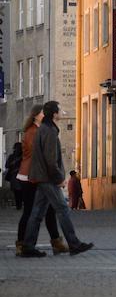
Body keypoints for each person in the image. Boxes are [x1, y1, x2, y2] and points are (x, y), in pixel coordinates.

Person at [21, 101, 94, 258]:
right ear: (54, 113)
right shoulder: (50, 131)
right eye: (60, 109)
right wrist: (59, 179)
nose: (62, 112)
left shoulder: (44, 129)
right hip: (47, 178)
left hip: (41, 176)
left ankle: (28, 245)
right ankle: (74, 243)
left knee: (37, 212)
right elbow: (50, 160)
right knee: (62, 209)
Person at [15, 105, 67, 256]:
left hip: (40, 176)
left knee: (50, 209)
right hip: (30, 176)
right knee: (30, 211)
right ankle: (22, 243)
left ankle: (56, 242)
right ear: (36, 116)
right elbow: (40, 155)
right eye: (43, 113)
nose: (45, 115)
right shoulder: (32, 132)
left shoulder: (40, 131)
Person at [4, 142, 23, 210]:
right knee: (17, 191)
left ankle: (20, 204)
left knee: (21, 190)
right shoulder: (12, 156)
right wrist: (13, 163)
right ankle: (18, 205)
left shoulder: (23, 156)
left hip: (22, 175)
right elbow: (7, 165)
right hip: (14, 176)